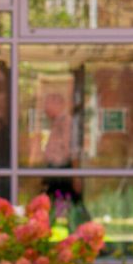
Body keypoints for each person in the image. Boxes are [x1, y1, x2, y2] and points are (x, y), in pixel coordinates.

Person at [42, 92, 90, 228]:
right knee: (53, 206)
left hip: (62, 171)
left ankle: (82, 232)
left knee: (71, 206)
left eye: (48, 103)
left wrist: (75, 176)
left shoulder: (66, 122)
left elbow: (72, 150)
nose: (45, 108)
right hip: (56, 171)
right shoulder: (57, 122)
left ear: (58, 104)